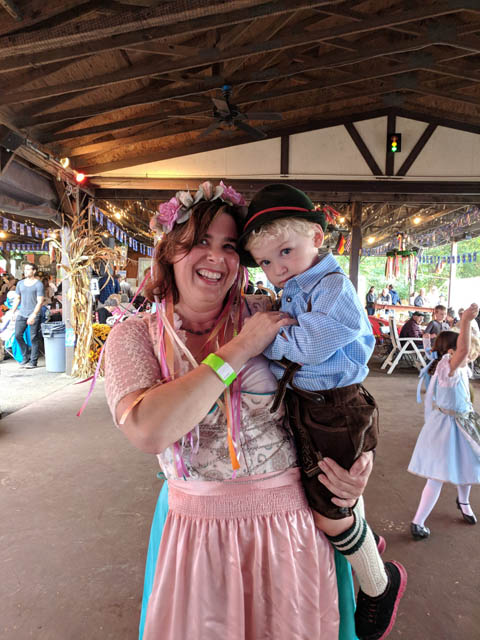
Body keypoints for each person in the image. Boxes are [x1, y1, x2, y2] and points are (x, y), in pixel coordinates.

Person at [104, 181, 375, 640]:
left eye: (229, 246)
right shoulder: (135, 336)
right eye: (199, 243)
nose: (216, 258)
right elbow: (149, 430)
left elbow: (339, 385)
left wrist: (356, 472)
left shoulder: (268, 308)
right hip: (197, 533)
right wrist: (243, 346)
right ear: (170, 251)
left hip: (290, 526)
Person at [240, 183, 406, 640]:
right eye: (266, 262)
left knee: (328, 504)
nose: (276, 269)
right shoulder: (299, 285)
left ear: (317, 235)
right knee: (325, 488)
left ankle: (378, 582)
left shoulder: (333, 287)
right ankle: (366, 541)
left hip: (334, 407)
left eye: (286, 252)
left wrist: (264, 339)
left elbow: (309, 346)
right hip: (311, 403)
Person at [409, 303, 480, 540]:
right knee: (438, 474)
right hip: (448, 426)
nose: (467, 353)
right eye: (460, 347)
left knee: (468, 463)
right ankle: (418, 521)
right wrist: (467, 320)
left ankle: (463, 501)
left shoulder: (450, 368)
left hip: (460, 423)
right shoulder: (448, 368)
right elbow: (463, 351)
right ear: (451, 351)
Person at [10, 263, 44, 369]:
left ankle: (33, 361)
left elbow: (40, 301)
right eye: (25, 269)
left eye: (28, 269)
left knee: (34, 338)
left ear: (34, 271)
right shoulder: (20, 283)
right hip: (22, 313)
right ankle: (26, 356)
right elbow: (18, 298)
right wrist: (13, 311)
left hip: (34, 313)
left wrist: (33, 315)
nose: (25, 271)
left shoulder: (38, 284)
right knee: (17, 335)